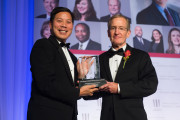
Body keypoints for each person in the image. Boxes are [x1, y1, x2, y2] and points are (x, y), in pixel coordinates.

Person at [27, 7, 98, 120]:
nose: (64, 25)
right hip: (46, 115)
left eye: (68, 22)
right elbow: (45, 84)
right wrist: (78, 92)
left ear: (72, 26)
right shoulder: (43, 45)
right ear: (50, 25)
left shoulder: (72, 57)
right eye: (59, 21)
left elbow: (68, 90)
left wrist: (80, 77)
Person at [87, 14, 158, 120]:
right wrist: (83, 80)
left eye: (121, 28)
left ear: (128, 33)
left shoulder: (141, 56)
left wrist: (119, 88)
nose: (116, 32)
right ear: (108, 33)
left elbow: (150, 85)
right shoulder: (100, 59)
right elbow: (91, 94)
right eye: (113, 28)